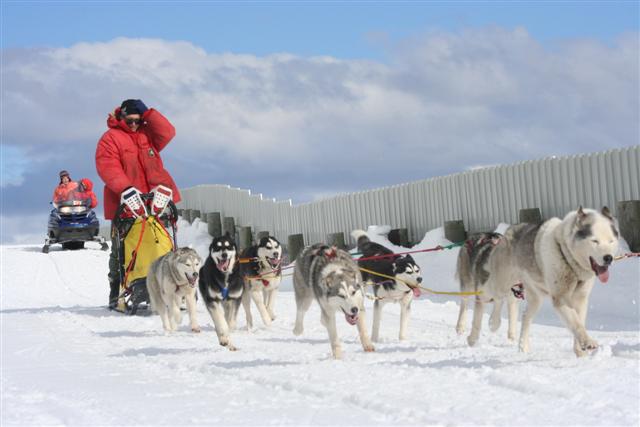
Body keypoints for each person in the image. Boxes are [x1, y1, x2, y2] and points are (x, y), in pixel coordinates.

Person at [95, 99, 181, 309]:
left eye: (138, 120)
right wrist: (125, 188)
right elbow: (107, 166)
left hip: (156, 199)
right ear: (122, 117)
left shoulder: (147, 133)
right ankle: (117, 290)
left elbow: (168, 132)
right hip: (125, 202)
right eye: (130, 120)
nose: (134, 124)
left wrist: (149, 113)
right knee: (120, 249)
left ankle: (168, 284)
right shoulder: (110, 139)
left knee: (162, 241)